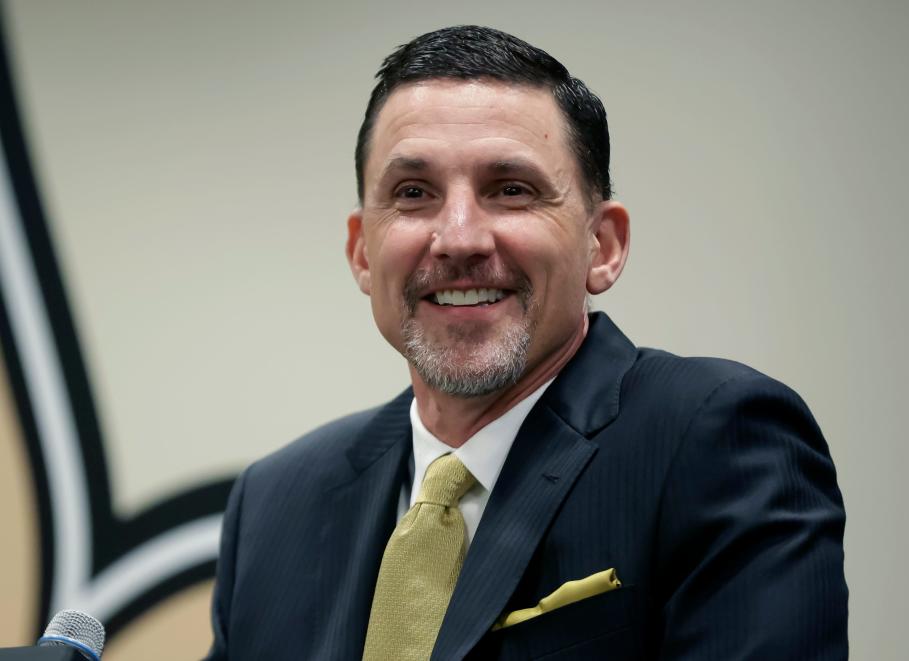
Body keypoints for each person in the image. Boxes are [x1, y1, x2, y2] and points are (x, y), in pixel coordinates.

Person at [205, 25, 847, 660]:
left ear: (604, 245)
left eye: (511, 190)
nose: (459, 238)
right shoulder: (275, 503)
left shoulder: (718, 440)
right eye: (413, 193)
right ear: (361, 252)